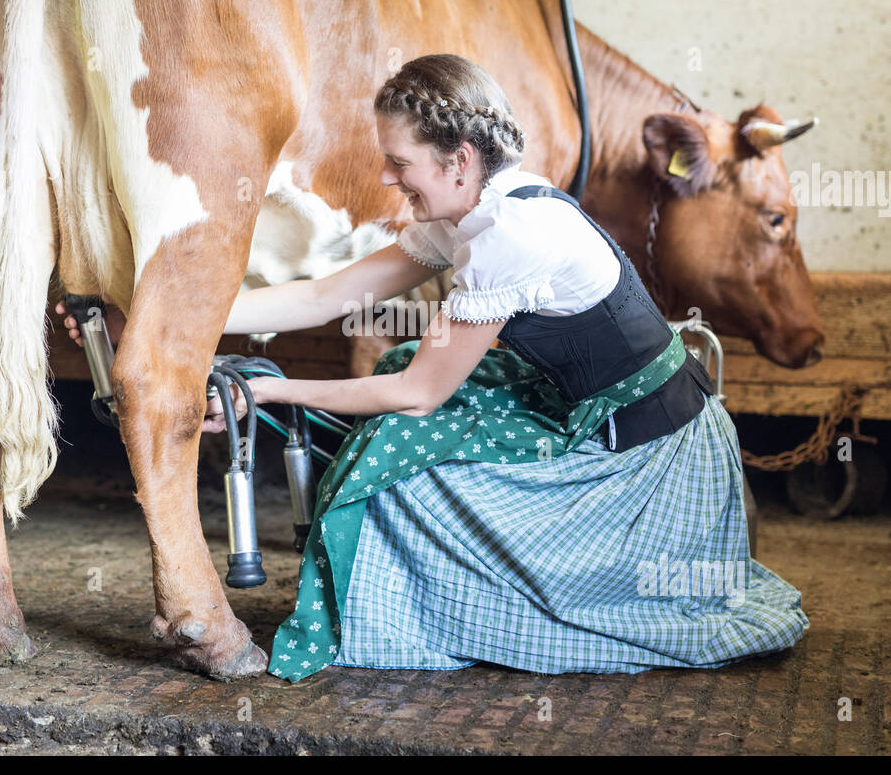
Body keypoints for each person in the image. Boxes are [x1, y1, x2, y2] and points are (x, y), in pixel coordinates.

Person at [58, 53, 809, 683]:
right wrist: (159, 317)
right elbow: (326, 295)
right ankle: (401, 591)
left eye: (399, 163)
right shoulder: (463, 213)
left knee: (403, 449)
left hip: (649, 457)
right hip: (596, 409)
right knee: (400, 379)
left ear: (458, 160)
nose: (390, 179)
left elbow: (420, 394)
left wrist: (269, 390)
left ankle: (418, 608)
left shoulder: (509, 235)